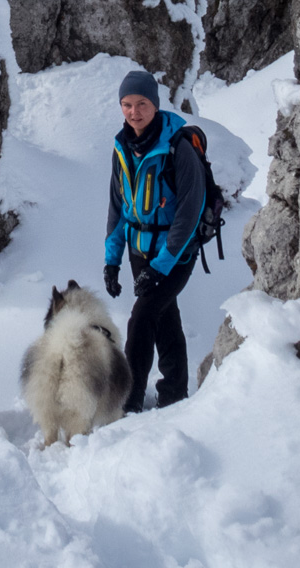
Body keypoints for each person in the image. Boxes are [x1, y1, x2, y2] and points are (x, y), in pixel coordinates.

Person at [102, 68, 205, 414]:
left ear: (155, 104)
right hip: (138, 252)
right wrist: (112, 261)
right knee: (164, 317)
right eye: (127, 105)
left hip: (175, 254)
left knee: (142, 317)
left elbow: (189, 214)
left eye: (142, 103)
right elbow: (119, 209)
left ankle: (128, 400)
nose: (134, 112)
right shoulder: (122, 148)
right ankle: (174, 392)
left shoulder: (178, 149)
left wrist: (161, 267)